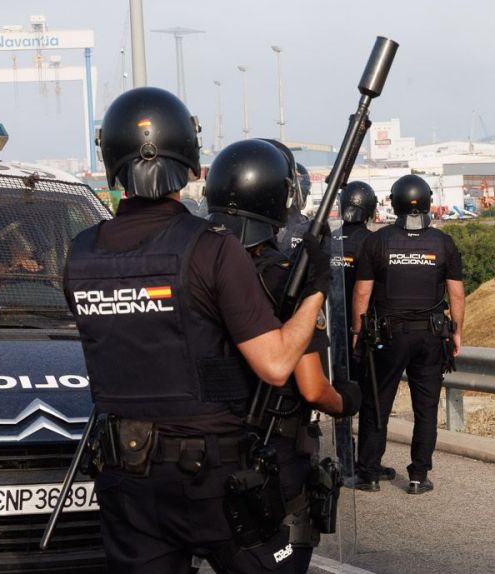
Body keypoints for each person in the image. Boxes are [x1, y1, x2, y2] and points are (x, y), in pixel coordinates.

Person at [63, 87, 354, 574]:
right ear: (193, 161)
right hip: (213, 481)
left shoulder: (79, 253)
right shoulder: (210, 248)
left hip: (127, 481)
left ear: (110, 159)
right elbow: (277, 362)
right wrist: (316, 292)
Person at [203, 138, 361, 573]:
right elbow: (311, 387)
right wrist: (346, 401)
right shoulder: (285, 279)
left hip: (201, 455)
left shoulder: (197, 268)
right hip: (272, 458)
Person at [351, 174, 464, 495]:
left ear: (395, 202)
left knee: (377, 402)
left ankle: (369, 472)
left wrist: (357, 332)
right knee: (425, 409)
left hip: (387, 336)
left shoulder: (377, 241)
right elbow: (456, 294)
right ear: (427, 202)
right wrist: (457, 332)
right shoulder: (443, 243)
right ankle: (418, 476)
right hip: (431, 336)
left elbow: (362, 293)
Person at [330, 180, 395, 481]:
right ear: (369, 209)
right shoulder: (374, 242)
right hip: (364, 334)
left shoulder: (326, 241)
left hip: (330, 334)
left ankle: (342, 461)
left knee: (339, 399)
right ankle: (368, 465)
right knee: (373, 399)